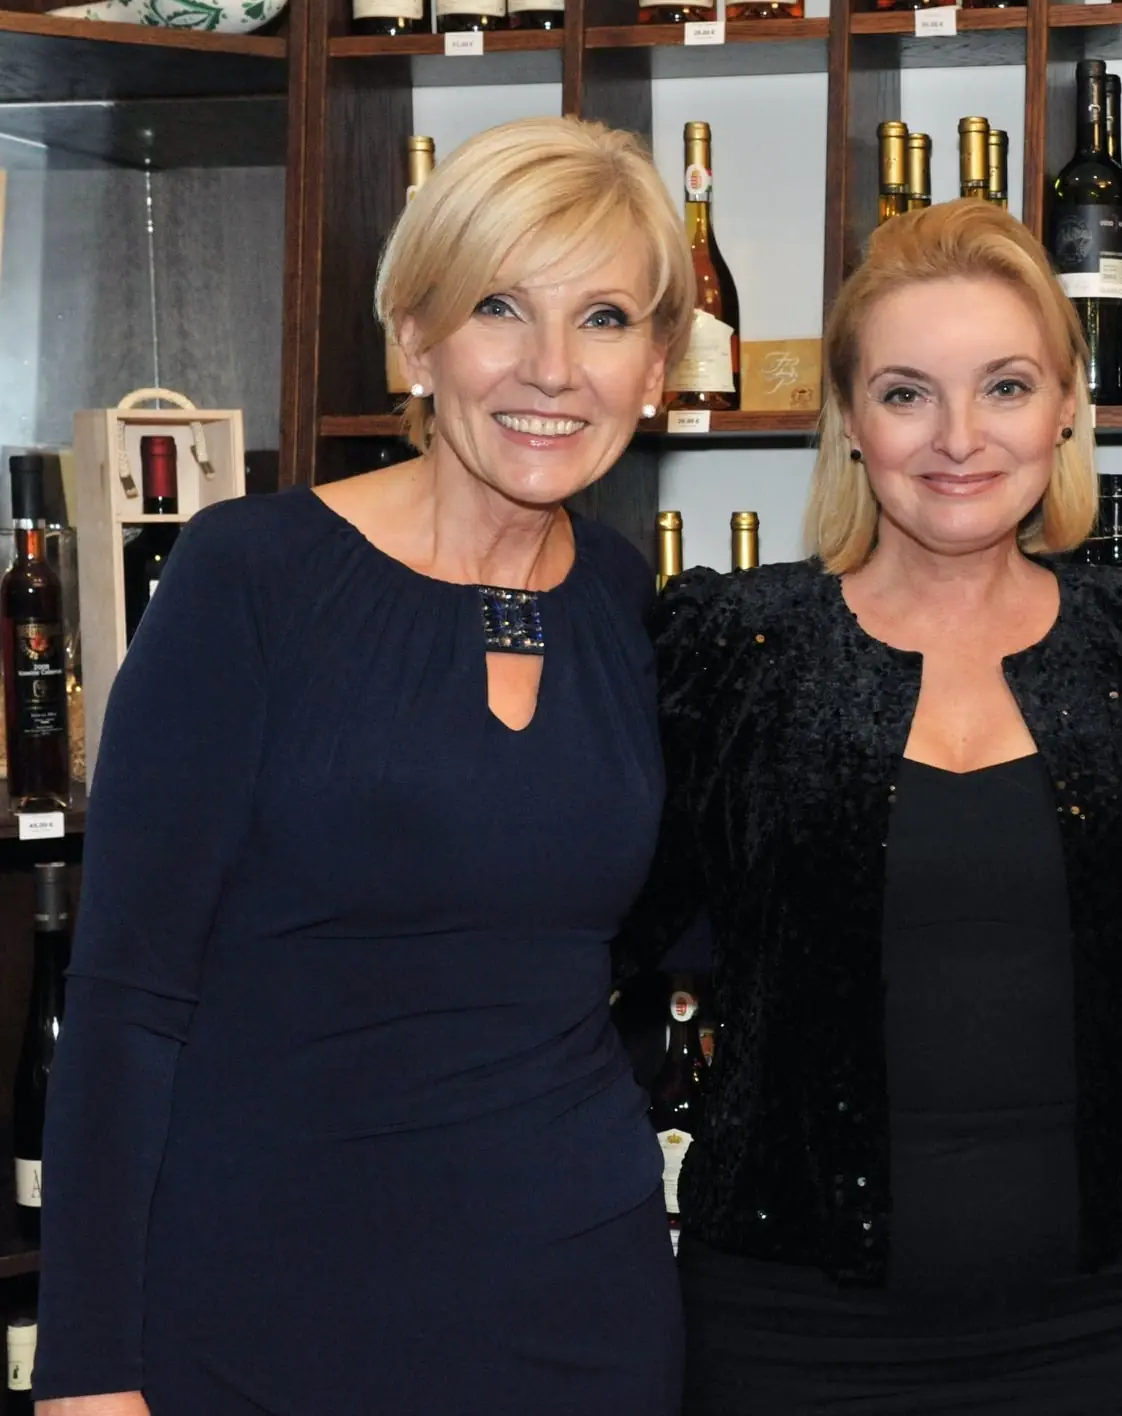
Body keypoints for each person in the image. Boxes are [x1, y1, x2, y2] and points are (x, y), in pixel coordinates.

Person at [36, 116, 692, 1415]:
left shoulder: (631, 605)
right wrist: (89, 1370)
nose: (553, 368)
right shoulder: (250, 577)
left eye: (605, 318)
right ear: (414, 340)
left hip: (581, 1309)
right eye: (500, 307)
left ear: (658, 365)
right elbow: (125, 998)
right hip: (269, 1311)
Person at [622, 198, 1122, 1415]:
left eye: (1004, 386)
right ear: (850, 422)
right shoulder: (727, 651)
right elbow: (577, 935)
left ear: (1065, 405)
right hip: (792, 1338)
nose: (958, 438)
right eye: (906, 393)